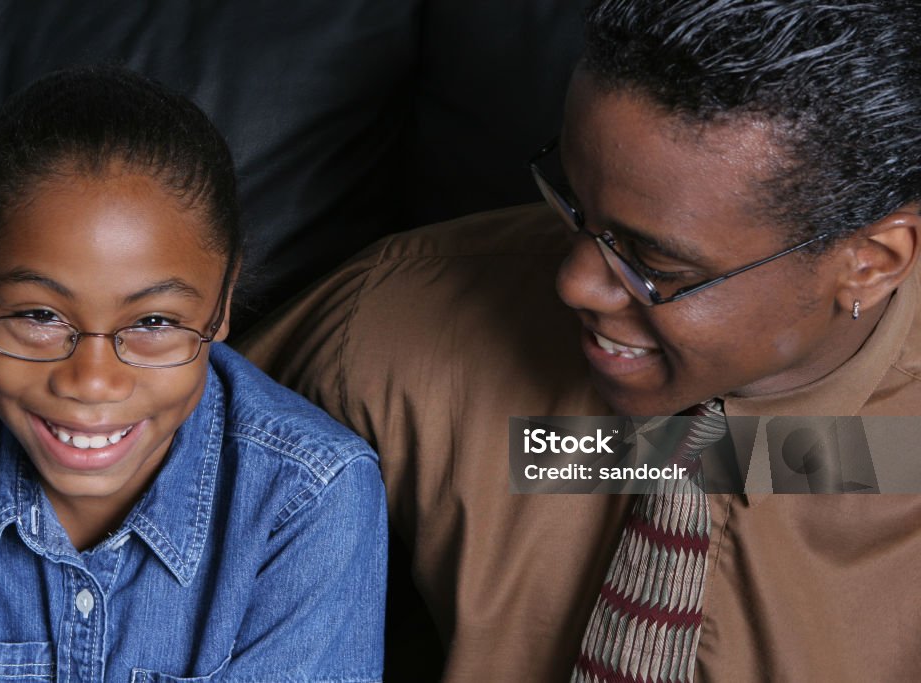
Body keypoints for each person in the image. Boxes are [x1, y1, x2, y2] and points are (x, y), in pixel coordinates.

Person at [240, 1, 921, 681]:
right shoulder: (393, 319)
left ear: (873, 259)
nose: (576, 283)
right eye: (572, 204)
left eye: (658, 264)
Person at [0, 66, 386, 681]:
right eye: (39, 315)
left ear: (221, 305)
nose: (92, 382)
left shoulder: (309, 498)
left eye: (154, 322)